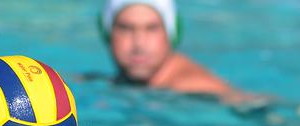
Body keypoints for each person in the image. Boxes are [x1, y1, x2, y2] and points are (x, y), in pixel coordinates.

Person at [100, 0, 255, 104]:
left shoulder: (196, 90)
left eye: (152, 28)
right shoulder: (109, 81)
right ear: (107, 34)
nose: (139, 44)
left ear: (173, 34)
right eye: (126, 28)